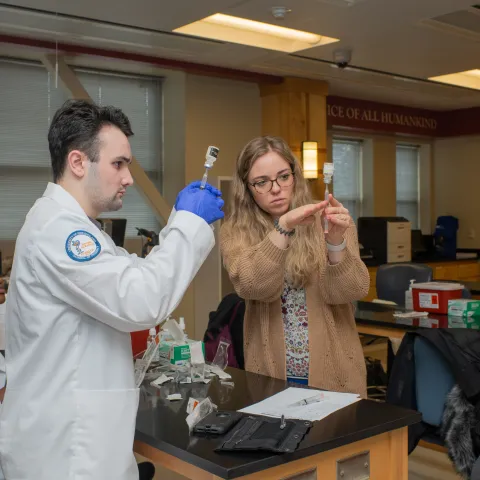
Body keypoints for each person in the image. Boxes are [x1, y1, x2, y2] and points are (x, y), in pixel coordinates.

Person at [0, 99, 224, 480]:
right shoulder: (60, 232)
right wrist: (187, 224)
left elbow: (132, 275)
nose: (128, 177)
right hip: (65, 456)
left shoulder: (78, 228)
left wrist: (177, 227)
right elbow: (142, 298)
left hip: (82, 443)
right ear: (77, 162)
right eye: (118, 164)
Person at [220, 136, 370, 397]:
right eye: (262, 182)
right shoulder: (235, 232)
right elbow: (254, 286)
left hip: (335, 376)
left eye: (283, 177)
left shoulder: (331, 221)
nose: (276, 188)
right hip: (270, 376)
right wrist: (284, 227)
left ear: (295, 176)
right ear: (247, 187)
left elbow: (351, 291)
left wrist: (335, 244)